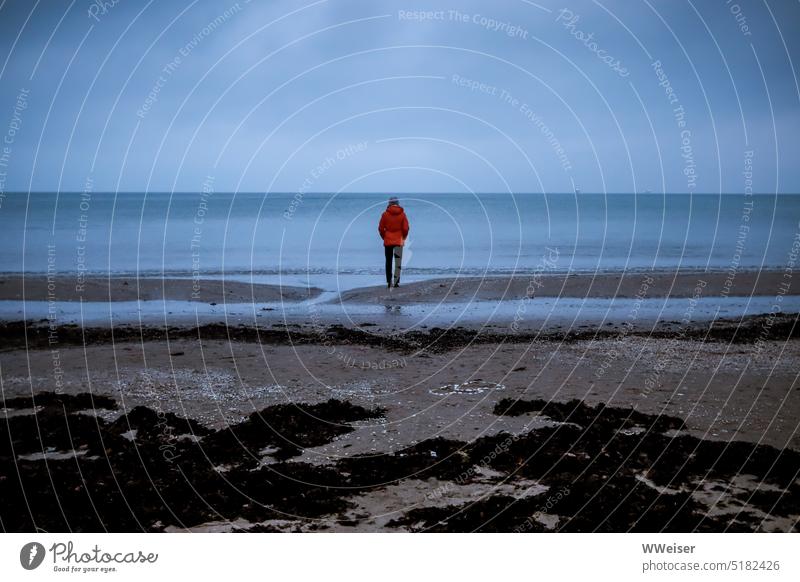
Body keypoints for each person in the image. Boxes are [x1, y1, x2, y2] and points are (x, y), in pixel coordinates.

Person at [378, 196, 409, 289]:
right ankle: (396, 282)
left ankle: (389, 282)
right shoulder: (402, 214)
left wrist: (385, 237)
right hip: (398, 240)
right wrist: (403, 237)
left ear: (389, 203)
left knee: (388, 261)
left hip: (388, 240)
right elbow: (405, 228)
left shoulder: (384, 214)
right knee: (398, 262)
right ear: (398, 203)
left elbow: (380, 229)